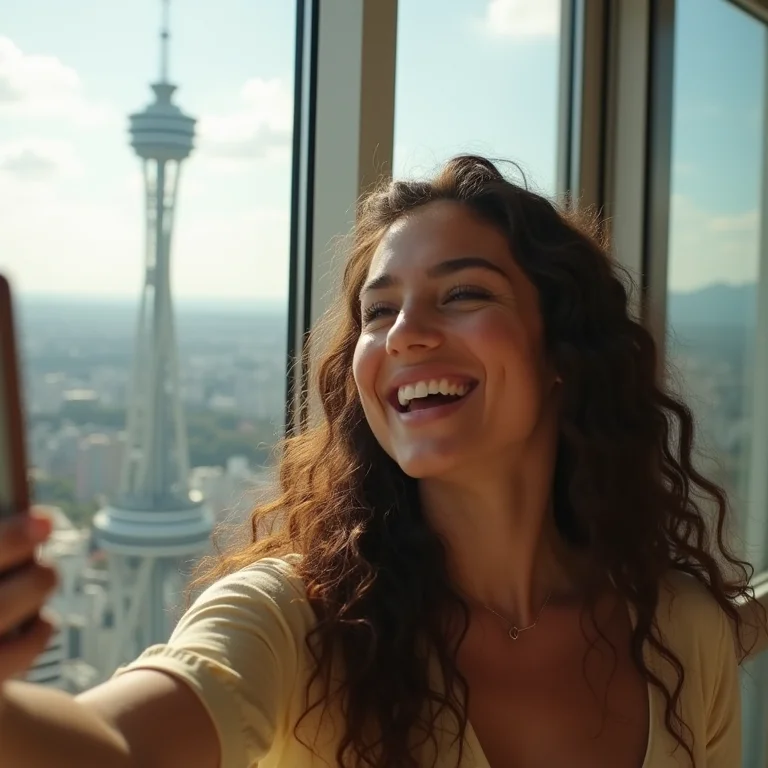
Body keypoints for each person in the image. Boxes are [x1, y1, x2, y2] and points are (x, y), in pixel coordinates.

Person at [0, 155, 760, 768]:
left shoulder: (679, 634)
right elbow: (119, 748)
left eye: (462, 293)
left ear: (562, 350)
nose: (404, 334)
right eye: (378, 309)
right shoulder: (297, 622)